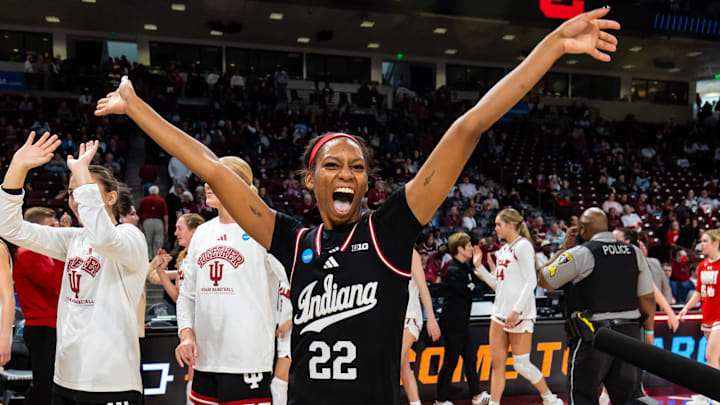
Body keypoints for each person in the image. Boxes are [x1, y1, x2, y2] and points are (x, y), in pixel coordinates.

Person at [96, 8, 620, 402]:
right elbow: (211, 166)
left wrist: (549, 49)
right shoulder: (293, 239)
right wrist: (137, 107)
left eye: (357, 167)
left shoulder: (389, 231)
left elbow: (469, 126)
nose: (346, 174)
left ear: (368, 182)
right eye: (332, 166)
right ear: (310, 179)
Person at [0, 134, 148, 405]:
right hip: (66, 376)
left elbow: (104, 239)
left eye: (84, 190)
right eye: (71, 192)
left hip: (110, 380)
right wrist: (17, 170)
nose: (77, 198)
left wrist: (80, 173)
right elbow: (10, 228)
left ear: (112, 197)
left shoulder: (130, 237)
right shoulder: (73, 239)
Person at [174, 157, 287, 405]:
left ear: (241, 185)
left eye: (218, 178)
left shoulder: (264, 228)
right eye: (208, 179)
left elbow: (291, 280)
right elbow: (187, 294)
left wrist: (287, 321)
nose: (207, 184)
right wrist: (186, 335)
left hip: (247, 361)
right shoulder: (202, 232)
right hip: (204, 360)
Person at [538, 208, 655, 405]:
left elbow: (544, 280)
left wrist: (564, 249)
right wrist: (648, 332)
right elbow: (647, 299)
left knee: (584, 397)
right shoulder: (634, 252)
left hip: (594, 336)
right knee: (631, 398)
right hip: (630, 335)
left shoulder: (582, 253)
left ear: (582, 229)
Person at [473, 209, 563, 405]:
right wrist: (479, 268)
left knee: (521, 364)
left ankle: (550, 399)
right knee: (497, 366)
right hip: (499, 313)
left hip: (520, 314)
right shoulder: (504, 249)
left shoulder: (523, 246)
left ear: (510, 225)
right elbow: (500, 287)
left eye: (499, 224)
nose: (495, 228)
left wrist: (516, 311)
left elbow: (531, 282)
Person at [12, 207, 63, 405]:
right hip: (42, 326)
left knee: (49, 384)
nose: (57, 230)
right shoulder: (28, 254)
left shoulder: (40, 252)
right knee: (45, 385)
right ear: (36, 229)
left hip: (50, 324)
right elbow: (53, 283)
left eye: (57, 224)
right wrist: (62, 254)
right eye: (51, 226)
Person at [435, 233, 488, 405]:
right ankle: (440, 400)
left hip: (462, 321)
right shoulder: (452, 270)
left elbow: (476, 288)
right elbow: (473, 292)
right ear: (460, 249)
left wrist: (480, 277)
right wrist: (484, 281)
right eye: (469, 246)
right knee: (451, 361)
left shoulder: (465, 266)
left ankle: (477, 396)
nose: (472, 248)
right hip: (452, 322)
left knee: (471, 358)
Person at [677, 229, 720, 405]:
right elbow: (698, 292)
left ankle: (713, 394)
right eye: (701, 241)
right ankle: (710, 391)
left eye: (705, 241)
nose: (701, 245)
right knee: (716, 359)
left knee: (710, 355)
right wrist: (686, 308)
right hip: (707, 315)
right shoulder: (702, 266)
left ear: (716, 243)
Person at [612, 227, 678, 332]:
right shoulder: (610, 261)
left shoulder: (633, 261)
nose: (611, 242)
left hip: (635, 316)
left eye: (615, 239)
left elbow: (653, 288)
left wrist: (669, 311)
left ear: (626, 242)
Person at [403, 250, 441, 405]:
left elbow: (423, 288)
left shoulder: (411, 255)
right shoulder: (381, 250)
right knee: (403, 368)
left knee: (392, 364)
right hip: (390, 319)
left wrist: (431, 319)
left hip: (409, 317)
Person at [150, 213, 204, 303]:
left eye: (180, 228)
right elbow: (177, 297)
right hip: (184, 315)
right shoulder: (183, 257)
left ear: (194, 231)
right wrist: (160, 270)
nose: (175, 233)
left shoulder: (206, 257)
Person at [138, 185, 168, 255]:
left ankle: (149, 257)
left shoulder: (144, 200)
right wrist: (166, 225)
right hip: (158, 222)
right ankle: (157, 256)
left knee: (148, 241)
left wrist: (141, 224)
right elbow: (165, 214)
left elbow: (139, 212)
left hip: (147, 221)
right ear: (157, 192)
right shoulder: (161, 200)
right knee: (158, 241)